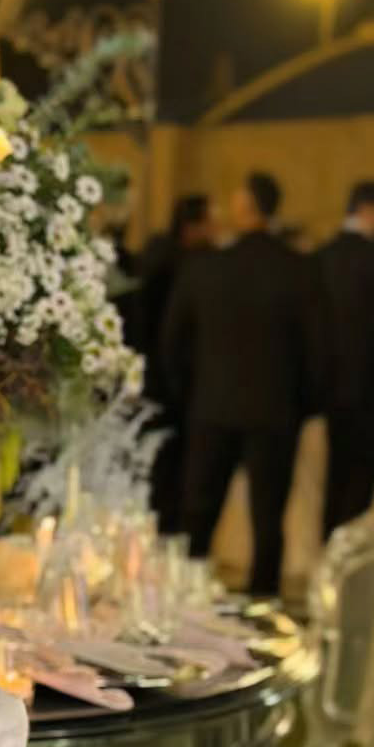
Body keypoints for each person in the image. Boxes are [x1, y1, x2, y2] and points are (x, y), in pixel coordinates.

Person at [162, 171, 319, 594]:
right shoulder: (298, 269)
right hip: (275, 411)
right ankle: (263, 601)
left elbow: (172, 342)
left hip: (211, 407)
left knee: (199, 511)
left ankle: (188, 593)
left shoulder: (207, 267)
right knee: (268, 518)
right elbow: (319, 348)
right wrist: (301, 405)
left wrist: (189, 395)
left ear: (242, 207)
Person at [131, 194, 217, 529]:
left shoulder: (155, 257)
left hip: (149, 377)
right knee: (171, 468)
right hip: (173, 382)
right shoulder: (187, 266)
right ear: (194, 226)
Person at [318, 180, 374, 533]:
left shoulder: (321, 257)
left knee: (335, 480)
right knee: (359, 486)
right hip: (372, 392)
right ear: (371, 209)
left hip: (329, 390)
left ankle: (330, 552)